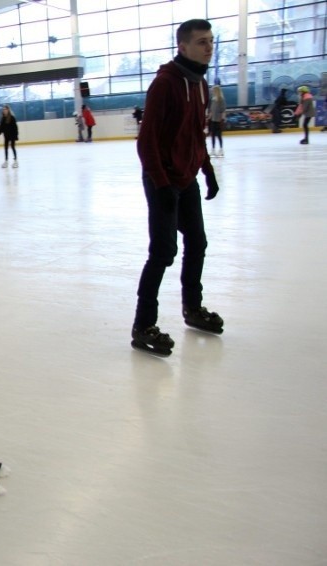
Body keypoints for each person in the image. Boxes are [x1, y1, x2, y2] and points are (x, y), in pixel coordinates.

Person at [131, 18, 222, 357]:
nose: (209, 47)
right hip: (163, 181)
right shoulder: (166, 83)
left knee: (197, 242)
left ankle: (192, 308)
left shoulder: (199, 83)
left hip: (187, 178)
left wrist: (207, 169)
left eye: (211, 41)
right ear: (183, 46)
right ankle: (143, 325)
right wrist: (161, 182)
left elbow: (195, 134)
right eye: (201, 41)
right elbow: (147, 141)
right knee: (163, 252)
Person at [208, 85, 226, 156]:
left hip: (218, 120)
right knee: (212, 135)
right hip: (213, 120)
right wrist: (209, 117)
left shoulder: (221, 99)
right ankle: (213, 149)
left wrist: (222, 119)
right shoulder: (213, 99)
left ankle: (221, 149)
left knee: (219, 136)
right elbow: (211, 110)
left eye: (213, 90)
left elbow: (223, 110)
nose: (212, 92)